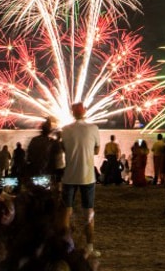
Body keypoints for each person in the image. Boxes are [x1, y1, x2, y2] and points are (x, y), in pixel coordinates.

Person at [59, 103, 102, 247]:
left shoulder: (64, 130)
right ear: (85, 112)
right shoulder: (93, 128)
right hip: (88, 176)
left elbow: (63, 149)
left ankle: (65, 243)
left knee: (66, 211)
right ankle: (90, 246)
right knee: (88, 211)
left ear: (72, 113)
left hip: (69, 176)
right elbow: (96, 151)